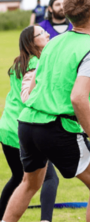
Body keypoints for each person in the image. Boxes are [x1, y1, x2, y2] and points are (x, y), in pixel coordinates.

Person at [2, 0, 90, 222]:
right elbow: (78, 97)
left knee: (29, 184)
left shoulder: (52, 43)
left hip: (27, 124)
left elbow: (31, 88)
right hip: (56, 127)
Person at [0, 26, 59, 222]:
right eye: (41, 33)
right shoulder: (35, 63)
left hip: (6, 128)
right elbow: (30, 97)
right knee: (50, 178)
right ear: (32, 42)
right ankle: (45, 220)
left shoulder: (20, 62)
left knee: (19, 178)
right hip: (23, 129)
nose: (47, 34)